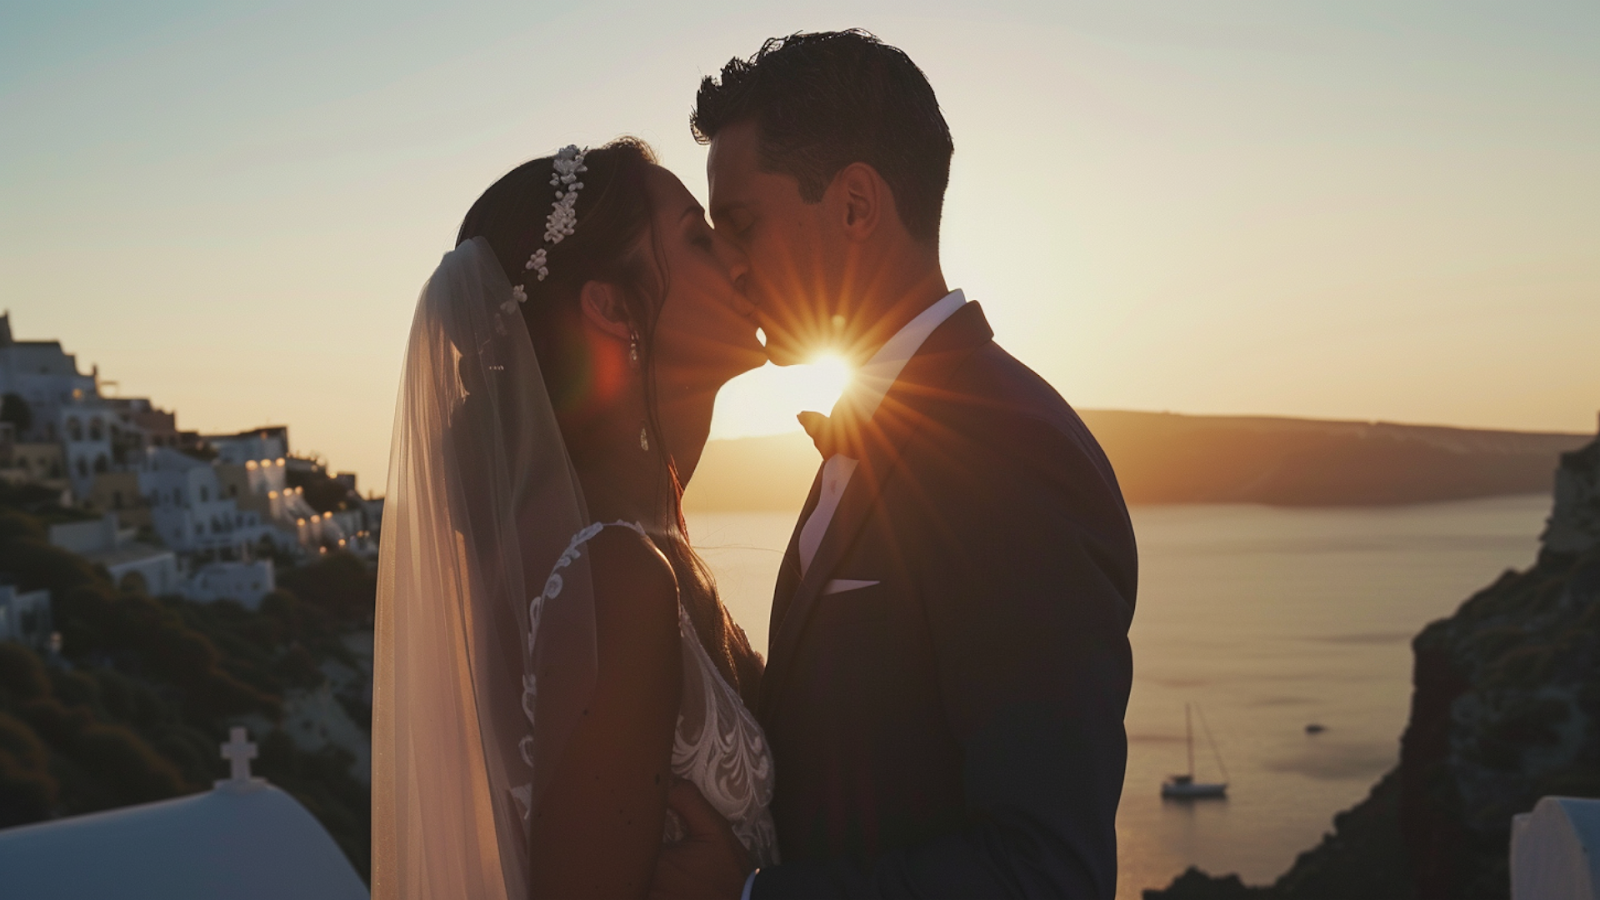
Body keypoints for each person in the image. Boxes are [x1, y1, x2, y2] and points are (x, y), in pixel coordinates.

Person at [650, 30, 1139, 899]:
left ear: (855, 207)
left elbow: (1048, 875)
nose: (729, 260)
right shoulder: (882, 428)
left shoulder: (1004, 455)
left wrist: (751, 898)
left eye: (743, 223)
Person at [372, 139, 779, 899]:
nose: (737, 257)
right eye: (698, 236)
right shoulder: (612, 575)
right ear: (611, 304)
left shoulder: (608, 546)